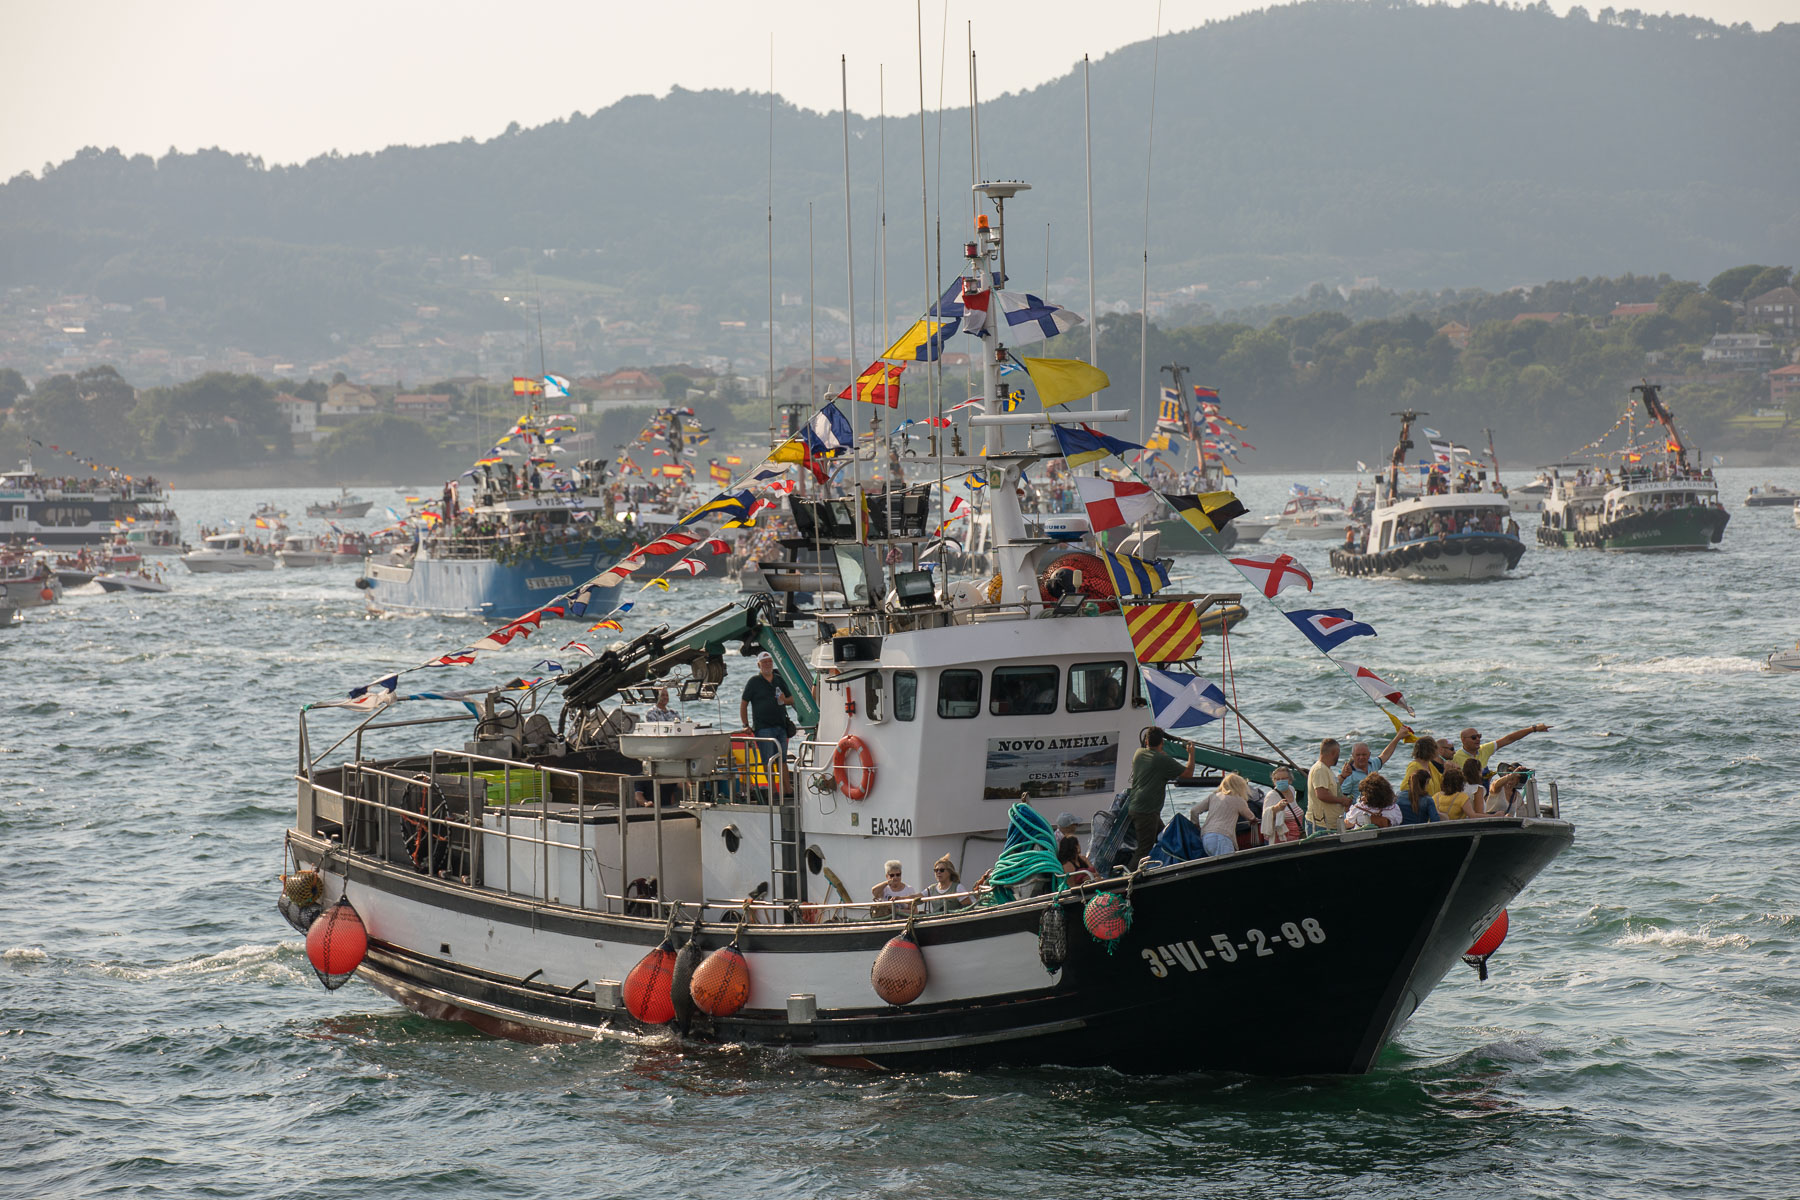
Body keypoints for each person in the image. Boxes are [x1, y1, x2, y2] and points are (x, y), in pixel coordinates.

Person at [1128, 727, 1196, 867]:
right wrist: (1191, 754)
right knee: (1144, 850)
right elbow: (1188, 774)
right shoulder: (1162, 760)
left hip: (1138, 807)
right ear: (1162, 743)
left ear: (1146, 741)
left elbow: (1155, 758)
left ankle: (1167, 866)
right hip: (1147, 811)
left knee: (1165, 839)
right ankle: (1128, 878)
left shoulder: (1138, 753)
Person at [738, 651, 794, 766]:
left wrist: (785, 700)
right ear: (759, 665)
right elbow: (744, 704)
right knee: (768, 762)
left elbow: (792, 699)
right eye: (764, 662)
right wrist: (745, 725)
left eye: (770, 661)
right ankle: (771, 785)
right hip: (763, 728)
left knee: (782, 762)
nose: (768, 664)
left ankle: (786, 785)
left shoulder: (779, 679)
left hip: (781, 727)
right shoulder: (754, 682)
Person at [1188, 773, 1257, 858]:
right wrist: (1254, 820)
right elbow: (1251, 817)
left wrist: (1196, 826)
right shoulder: (1238, 799)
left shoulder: (1213, 796)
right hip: (1222, 837)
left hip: (1206, 837)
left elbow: (1194, 811)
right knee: (1228, 865)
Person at [1454, 722, 1551, 773]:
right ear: (1463, 740)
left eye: (1479, 736)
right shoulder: (1456, 757)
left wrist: (1532, 729)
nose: (1478, 739)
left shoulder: (1484, 749)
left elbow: (1509, 739)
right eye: (1474, 737)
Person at [1339, 728, 1407, 796]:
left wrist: (1398, 737)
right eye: (1358, 755)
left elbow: (1385, 755)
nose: (1361, 757)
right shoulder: (1348, 773)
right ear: (1353, 756)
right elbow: (1343, 796)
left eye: (1364, 754)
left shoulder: (1373, 763)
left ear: (1369, 755)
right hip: (1358, 805)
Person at [1306, 739, 1350, 834]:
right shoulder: (1320, 770)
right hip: (1321, 826)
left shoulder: (1326, 769)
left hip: (1329, 825)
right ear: (1334, 753)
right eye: (1338, 753)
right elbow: (1321, 794)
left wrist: (1343, 776)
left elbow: (1332, 788)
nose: (1338, 757)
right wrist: (1342, 800)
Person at [1260, 768, 1305, 844]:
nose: (1280, 781)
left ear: (1290, 780)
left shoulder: (1291, 789)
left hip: (1297, 838)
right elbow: (1265, 816)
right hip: (1280, 841)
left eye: (1283, 778)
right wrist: (1277, 808)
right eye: (1277, 779)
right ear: (1274, 781)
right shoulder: (1272, 796)